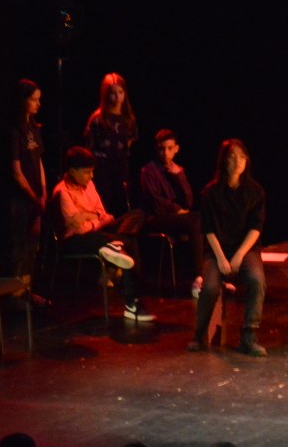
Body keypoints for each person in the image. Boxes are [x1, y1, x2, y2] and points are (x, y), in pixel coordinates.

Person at [53, 146, 153, 322]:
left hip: (99, 231)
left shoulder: (89, 185)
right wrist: (95, 219)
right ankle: (132, 302)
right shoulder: (63, 192)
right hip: (76, 240)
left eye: (92, 171)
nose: (91, 176)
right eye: (87, 172)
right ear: (72, 171)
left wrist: (88, 217)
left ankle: (115, 247)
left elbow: (103, 213)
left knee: (136, 214)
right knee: (129, 243)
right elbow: (78, 229)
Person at [190, 138, 268, 357]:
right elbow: (208, 229)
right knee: (210, 287)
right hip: (217, 250)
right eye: (233, 157)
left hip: (245, 249)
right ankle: (199, 334)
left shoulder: (255, 192)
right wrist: (222, 258)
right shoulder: (211, 193)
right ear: (224, 161)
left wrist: (240, 254)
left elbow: (256, 227)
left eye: (242, 157)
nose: (238, 161)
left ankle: (249, 335)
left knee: (257, 280)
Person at [139, 129, 203, 294]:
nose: (166, 153)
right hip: (156, 218)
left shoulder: (178, 170)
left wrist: (179, 175)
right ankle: (199, 276)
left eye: (169, 148)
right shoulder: (149, 171)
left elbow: (189, 200)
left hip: (178, 217)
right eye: (162, 148)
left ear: (176, 149)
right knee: (195, 221)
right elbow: (155, 201)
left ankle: (213, 275)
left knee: (204, 219)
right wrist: (177, 210)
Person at [7, 79, 47, 286]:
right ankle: (15, 291)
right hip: (20, 199)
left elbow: (38, 161)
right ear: (23, 100)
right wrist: (33, 197)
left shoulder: (34, 127)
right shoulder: (14, 131)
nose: (38, 103)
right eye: (33, 99)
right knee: (20, 246)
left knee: (33, 245)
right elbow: (16, 172)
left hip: (36, 198)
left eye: (39, 99)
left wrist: (44, 192)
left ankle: (27, 289)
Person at [85, 72, 138, 215]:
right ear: (106, 94)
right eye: (113, 93)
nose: (117, 97)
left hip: (120, 168)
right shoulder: (98, 119)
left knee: (122, 205)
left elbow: (130, 141)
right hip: (102, 169)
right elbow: (89, 147)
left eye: (120, 92)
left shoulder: (128, 118)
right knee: (105, 203)